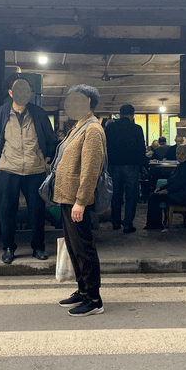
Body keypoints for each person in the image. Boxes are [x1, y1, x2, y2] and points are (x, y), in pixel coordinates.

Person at [0, 77, 57, 264]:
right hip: (9, 169)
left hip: (35, 170)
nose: (23, 94)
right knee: (7, 210)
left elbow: (50, 140)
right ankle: (8, 248)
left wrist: (46, 159)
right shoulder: (0, 114)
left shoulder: (39, 114)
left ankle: (38, 247)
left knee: (37, 211)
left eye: (26, 90)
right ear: (10, 93)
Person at [54, 85, 106, 317]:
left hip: (78, 198)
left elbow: (91, 169)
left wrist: (81, 201)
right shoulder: (78, 127)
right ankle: (83, 290)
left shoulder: (93, 129)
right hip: (67, 196)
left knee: (83, 247)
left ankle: (94, 299)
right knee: (74, 246)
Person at [105, 104, 148, 234]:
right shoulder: (136, 129)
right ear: (132, 115)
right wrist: (143, 165)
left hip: (114, 166)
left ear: (120, 113)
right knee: (131, 196)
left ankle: (116, 222)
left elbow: (105, 147)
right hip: (131, 166)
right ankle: (128, 224)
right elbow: (141, 149)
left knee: (116, 195)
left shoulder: (110, 128)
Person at [145, 145, 186, 229]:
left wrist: (167, 191)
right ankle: (153, 224)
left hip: (182, 196)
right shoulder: (180, 166)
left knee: (155, 198)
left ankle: (155, 224)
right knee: (153, 195)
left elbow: (180, 184)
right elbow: (171, 181)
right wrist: (161, 188)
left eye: (182, 154)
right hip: (176, 193)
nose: (179, 156)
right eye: (177, 153)